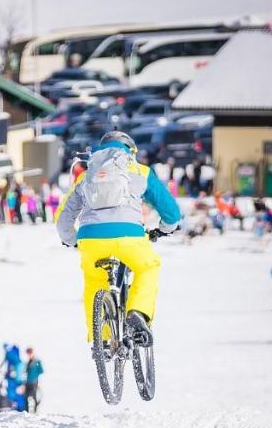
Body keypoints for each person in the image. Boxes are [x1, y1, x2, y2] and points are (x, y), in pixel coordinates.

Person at [56, 131, 182, 346]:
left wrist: (71, 239)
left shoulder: (87, 175)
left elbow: (64, 217)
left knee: (95, 282)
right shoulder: (139, 171)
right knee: (148, 267)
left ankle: (102, 340)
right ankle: (138, 313)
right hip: (129, 236)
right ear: (130, 151)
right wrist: (165, 228)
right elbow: (171, 212)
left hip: (90, 239)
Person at [23, 348, 44, 412]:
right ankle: (26, 411)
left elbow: (41, 370)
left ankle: (35, 411)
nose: (29, 355)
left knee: (34, 396)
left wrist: (35, 375)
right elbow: (26, 370)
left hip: (34, 381)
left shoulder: (37, 361)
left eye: (30, 353)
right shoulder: (29, 361)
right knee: (26, 396)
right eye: (28, 354)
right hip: (28, 381)